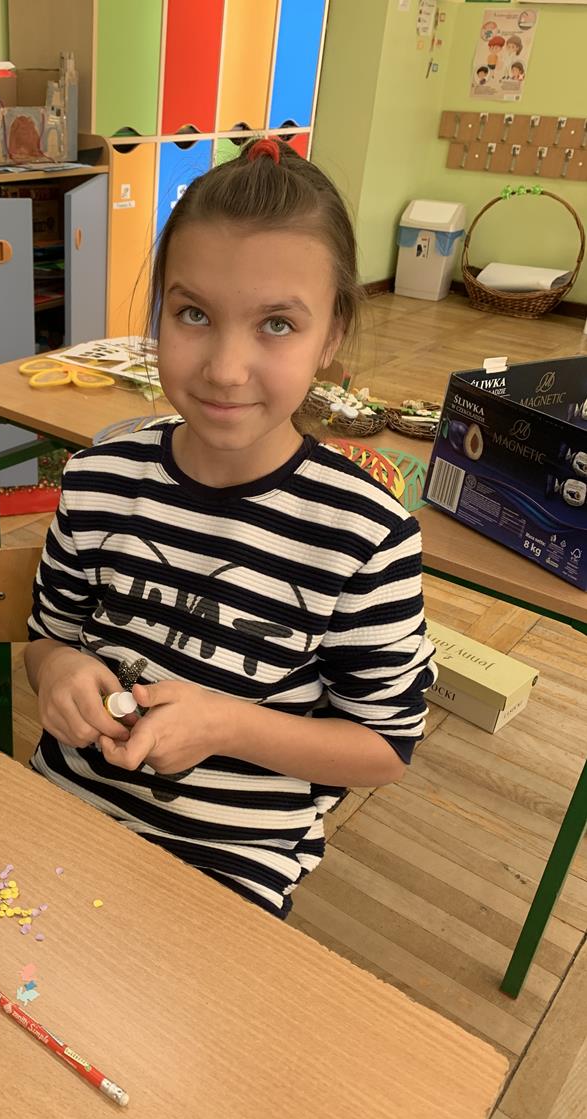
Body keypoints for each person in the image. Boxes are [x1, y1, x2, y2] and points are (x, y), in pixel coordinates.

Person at [25, 137, 435, 918]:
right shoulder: (97, 477)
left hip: (229, 862)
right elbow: (46, 639)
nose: (223, 367)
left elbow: (383, 748)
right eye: (193, 314)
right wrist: (57, 672)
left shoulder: (364, 534)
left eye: (276, 323)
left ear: (332, 334)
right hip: (63, 808)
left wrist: (228, 727)